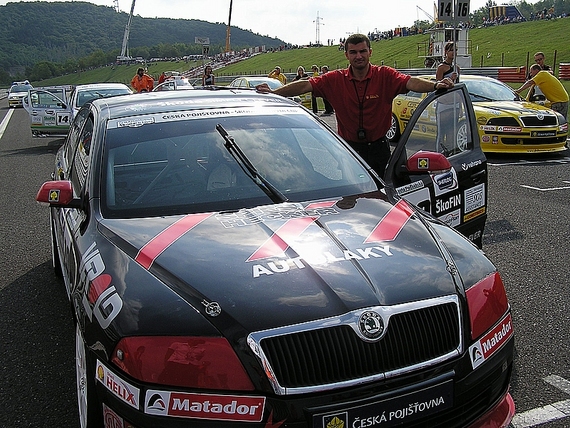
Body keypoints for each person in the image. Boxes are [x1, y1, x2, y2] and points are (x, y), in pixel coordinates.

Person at [256, 33, 454, 176]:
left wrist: (435, 85)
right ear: (346, 55)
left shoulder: (385, 75)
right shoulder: (335, 79)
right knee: (353, 200)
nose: (358, 56)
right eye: (353, 52)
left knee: (384, 195)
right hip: (348, 149)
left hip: (379, 149)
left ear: (370, 52)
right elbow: (304, 86)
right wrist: (274, 92)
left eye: (362, 51)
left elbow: (410, 82)